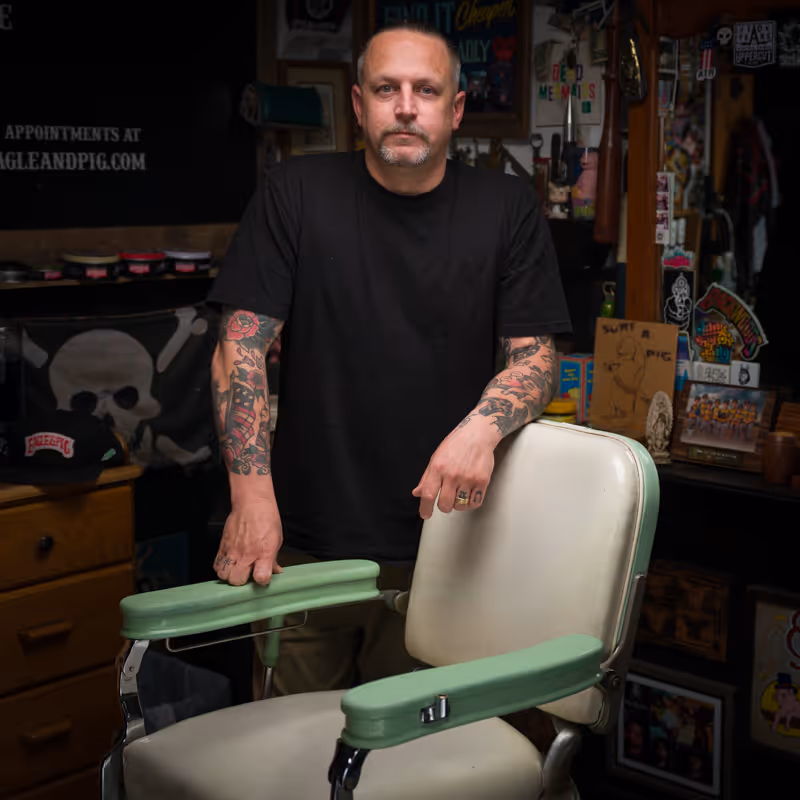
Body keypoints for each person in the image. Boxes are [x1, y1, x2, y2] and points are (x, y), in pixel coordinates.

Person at [206, 21, 571, 697]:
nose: (405, 106)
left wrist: (480, 430)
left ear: (455, 109)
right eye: (386, 88)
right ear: (357, 104)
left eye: (426, 90)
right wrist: (250, 497)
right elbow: (241, 347)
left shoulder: (506, 209)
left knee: (416, 765)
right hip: (299, 550)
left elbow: (536, 359)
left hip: (443, 554)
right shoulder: (295, 193)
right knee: (288, 761)